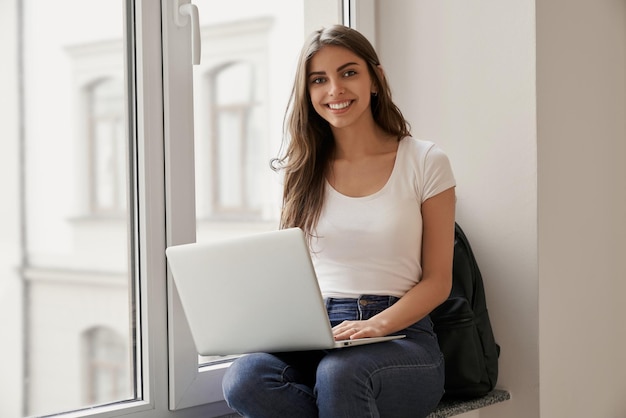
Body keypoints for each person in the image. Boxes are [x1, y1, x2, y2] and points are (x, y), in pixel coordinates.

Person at [222, 24, 456, 418]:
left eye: (349, 72)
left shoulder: (425, 161)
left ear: (375, 80)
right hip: (318, 330)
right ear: (308, 92)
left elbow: (438, 282)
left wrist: (377, 325)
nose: (335, 90)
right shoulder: (300, 171)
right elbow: (291, 272)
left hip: (401, 334)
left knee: (339, 375)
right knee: (245, 378)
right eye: (319, 80)